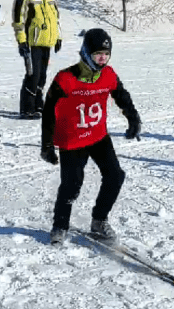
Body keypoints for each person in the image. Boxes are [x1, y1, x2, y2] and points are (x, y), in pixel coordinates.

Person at [40, 28, 141, 245]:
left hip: (98, 136)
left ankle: (99, 220)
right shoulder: (65, 78)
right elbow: (48, 113)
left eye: (106, 54)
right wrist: (47, 145)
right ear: (86, 53)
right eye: (97, 54)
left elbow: (122, 96)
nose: (102, 58)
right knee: (72, 183)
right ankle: (60, 225)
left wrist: (133, 119)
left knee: (115, 176)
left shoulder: (108, 75)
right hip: (72, 140)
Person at [13, 0, 62, 119]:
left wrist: (58, 37)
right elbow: (18, 21)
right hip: (32, 43)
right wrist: (22, 42)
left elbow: (56, 20)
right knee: (32, 74)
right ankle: (27, 107)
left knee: (42, 76)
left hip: (46, 42)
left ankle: (38, 104)